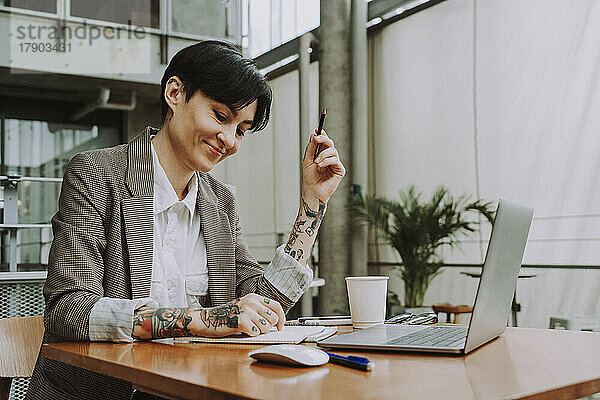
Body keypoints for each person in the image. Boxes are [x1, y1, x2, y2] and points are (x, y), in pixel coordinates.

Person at [25, 40, 345, 400]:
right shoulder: (97, 174)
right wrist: (202, 319)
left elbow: (260, 303)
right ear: (175, 93)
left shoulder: (220, 201)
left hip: (192, 389)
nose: (229, 140)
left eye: (241, 129)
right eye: (220, 116)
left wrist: (311, 205)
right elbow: (68, 310)